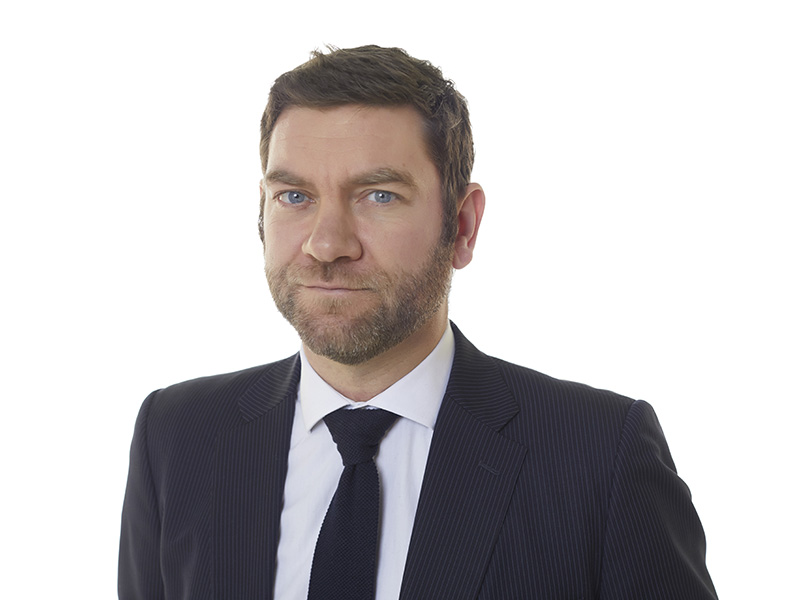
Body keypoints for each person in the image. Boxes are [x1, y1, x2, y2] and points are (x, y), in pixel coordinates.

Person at [119, 45, 718, 600]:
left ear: (463, 227)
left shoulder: (600, 456)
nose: (327, 245)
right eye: (294, 196)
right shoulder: (176, 435)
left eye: (378, 195)